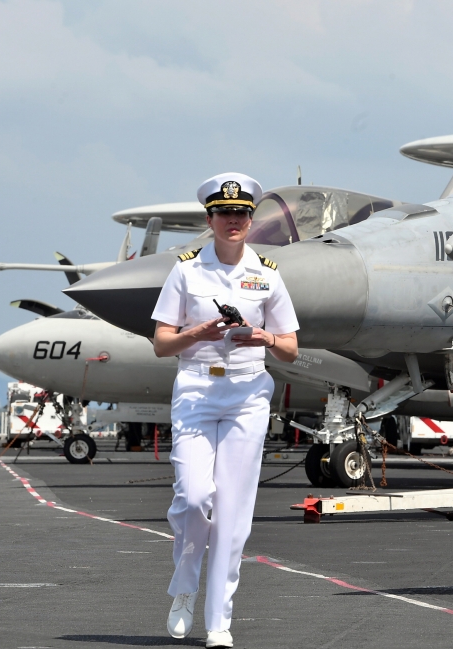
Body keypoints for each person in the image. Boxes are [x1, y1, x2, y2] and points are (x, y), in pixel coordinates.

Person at [151, 172, 299, 649]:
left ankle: (219, 621)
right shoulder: (187, 270)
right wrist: (199, 333)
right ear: (210, 219)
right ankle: (183, 588)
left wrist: (264, 337)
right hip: (196, 389)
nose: (232, 221)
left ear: (251, 219)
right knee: (194, 499)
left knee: (233, 511)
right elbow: (161, 344)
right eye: (223, 213)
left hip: (247, 394)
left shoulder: (268, 273)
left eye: (240, 213)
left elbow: (291, 349)